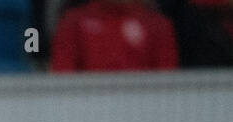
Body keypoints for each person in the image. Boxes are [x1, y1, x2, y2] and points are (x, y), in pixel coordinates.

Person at [50, 0, 179, 72]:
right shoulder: (74, 21)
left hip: (142, 111)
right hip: (87, 110)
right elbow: (63, 80)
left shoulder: (157, 25)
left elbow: (166, 85)